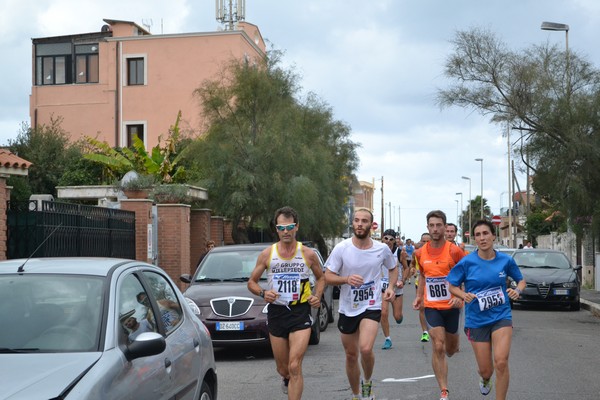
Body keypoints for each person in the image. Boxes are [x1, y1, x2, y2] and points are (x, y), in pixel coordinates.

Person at [247, 206, 324, 400]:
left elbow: (321, 278)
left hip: (300, 311)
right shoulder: (267, 254)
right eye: (281, 228)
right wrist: (263, 293)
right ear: (276, 229)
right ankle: (286, 379)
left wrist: (317, 295)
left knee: (294, 365)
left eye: (289, 227)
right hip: (277, 312)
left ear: (297, 227)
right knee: (283, 369)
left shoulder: (308, 254)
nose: (286, 231)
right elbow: (251, 283)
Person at [447, 220, 525, 400]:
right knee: (486, 370)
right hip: (476, 320)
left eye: (485, 233)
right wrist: (462, 295)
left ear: (493, 236)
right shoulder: (467, 262)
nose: (482, 238)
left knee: (501, 362)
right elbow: (452, 286)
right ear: (475, 239)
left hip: (501, 316)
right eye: (478, 235)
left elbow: (521, 280)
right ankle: (484, 378)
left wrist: (517, 290)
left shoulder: (506, 260)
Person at [325, 208, 397, 400]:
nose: (359, 224)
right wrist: (346, 279)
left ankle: (367, 382)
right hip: (348, 307)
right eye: (356, 220)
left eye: (364, 221)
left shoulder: (381, 249)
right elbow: (328, 276)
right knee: (350, 355)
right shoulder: (342, 248)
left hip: (371, 305)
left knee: (365, 348)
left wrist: (390, 287)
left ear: (371, 226)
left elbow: (393, 268)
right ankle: (356, 394)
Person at [412, 210, 465, 400]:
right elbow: (423, 275)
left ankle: (453, 347)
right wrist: (419, 296)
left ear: (444, 226)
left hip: (452, 306)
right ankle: (444, 391)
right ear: (427, 227)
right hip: (432, 306)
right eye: (431, 225)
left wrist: (460, 296)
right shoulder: (420, 253)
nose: (435, 229)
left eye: (438, 225)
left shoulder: (454, 251)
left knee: (451, 349)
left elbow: (465, 274)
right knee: (438, 345)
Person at [380, 229, 409, 350]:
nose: (388, 241)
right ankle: (387, 339)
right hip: (383, 286)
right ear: (382, 239)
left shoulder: (399, 253)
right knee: (383, 312)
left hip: (396, 287)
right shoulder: (377, 251)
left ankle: (399, 317)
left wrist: (402, 281)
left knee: (397, 316)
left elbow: (406, 268)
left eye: (391, 239)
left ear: (395, 240)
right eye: (386, 238)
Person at [410, 232, 432, 342]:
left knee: (433, 308)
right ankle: (425, 332)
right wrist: (412, 269)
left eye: (428, 241)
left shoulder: (436, 253)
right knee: (422, 307)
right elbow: (412, 264)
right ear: (420, 241)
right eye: (423, 241)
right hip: (420, 283)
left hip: (434, 284)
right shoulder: (417, 253)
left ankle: (435, 327)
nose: (425, 243)